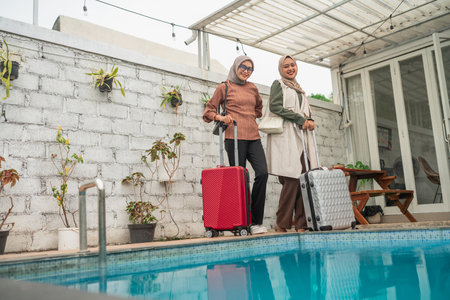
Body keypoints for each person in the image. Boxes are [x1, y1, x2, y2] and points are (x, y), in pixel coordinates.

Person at [203, 55, 269, 235]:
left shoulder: (253, 88)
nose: (246, 71)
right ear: (236, 67)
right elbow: (208, 111)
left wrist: (248, 117)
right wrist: (221, 117)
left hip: (253, 136)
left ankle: (255, 222)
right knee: (240, 181)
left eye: (250, 69)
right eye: (243, 67)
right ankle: (242, 222)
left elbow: (258, 109)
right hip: (234, 137)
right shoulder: (224, 87)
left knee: (262, 173)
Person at [266, 55, 317, 233]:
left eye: (292, 65)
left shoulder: (300, 90)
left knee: (304, 178)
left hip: (302, 139)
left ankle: (301, 224)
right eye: (286, 66)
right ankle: (282, 223)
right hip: (286, 137)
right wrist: (299, 118)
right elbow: (275, 107)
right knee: (291, 180)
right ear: (281, 69)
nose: (290, 68)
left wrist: (309, 120)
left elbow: (305, 112)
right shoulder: (278, 84)